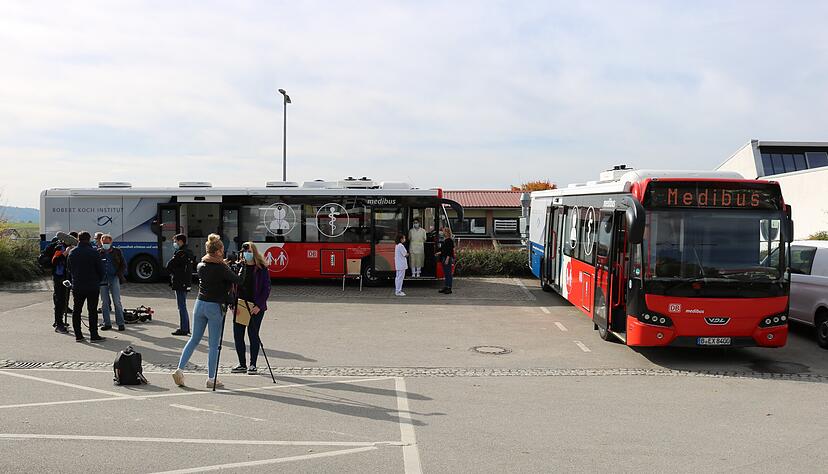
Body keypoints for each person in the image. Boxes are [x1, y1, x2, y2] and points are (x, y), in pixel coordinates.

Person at [173, 234, 242, 388]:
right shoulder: (222, 268)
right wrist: (240, 267)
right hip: (214, 306)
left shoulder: (201, 265)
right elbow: (238, 280)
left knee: (194, 339)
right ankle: (211, 378)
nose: (223, 251)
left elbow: (214, 270)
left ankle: (179, 369)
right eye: (222, 249)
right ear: (217, 251)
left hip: (200, 303)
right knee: (213, 344)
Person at [231, 242, 272, 375]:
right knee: (238, 335)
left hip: (255, 307)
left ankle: (253, 364)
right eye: (245, 251)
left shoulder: (261, 269)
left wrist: (259, 305)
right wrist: (232, 303)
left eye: (249, 251)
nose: (246, 254)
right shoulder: (239, 267)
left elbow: (266, 289)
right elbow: (232, 287)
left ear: (254, 252)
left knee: (253, 335)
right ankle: (242, 364)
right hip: (241, 305)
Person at [68, 231, 105, 342]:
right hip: (92, 285)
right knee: (92, 310)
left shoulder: (72, 252)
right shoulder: (94, 252)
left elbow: (69, 269)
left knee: (77, 310)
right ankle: (94, 335)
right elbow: (101, 270)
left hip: (78, 285)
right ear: (89, 239)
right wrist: (98, 280)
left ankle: (78, 335)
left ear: (78, 239)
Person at [166, 234, 195, 336]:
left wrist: (173, 272)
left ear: (181, 241)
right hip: (186, 282)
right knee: (183, 305)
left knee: (181, 306)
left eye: (176, 241)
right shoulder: (189, 252)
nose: (175, 243)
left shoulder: (181, 253)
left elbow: (169, 265)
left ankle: (184, 328)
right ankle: (185, 327)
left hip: (180, 282)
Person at [98, 234, 127, 331]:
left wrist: (118, 274)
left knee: (117, 301)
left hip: (114, 278)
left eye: (107, 242)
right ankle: (107, 323)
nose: (105, 244)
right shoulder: (98, 252)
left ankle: (121, 323)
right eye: (104, 242)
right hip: (102, 279)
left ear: (111, 242)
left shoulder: (117, 252)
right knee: (104, 302)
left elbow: (123, 265)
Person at [44, 236, 70, 333]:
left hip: (62, 277)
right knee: (60, 300)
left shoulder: (63, 247)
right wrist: (66, 253)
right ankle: (59, 324)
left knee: (61, 300)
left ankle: (59, 322)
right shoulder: (60, 248)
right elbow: (55, 260)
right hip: (59, 278)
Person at [435, 227, 455, 294]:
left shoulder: (449, 240)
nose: (443, 233)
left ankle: (449, 288)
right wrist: (438, 253)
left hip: (447, 259)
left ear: (447, 232)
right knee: (446, 274)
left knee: (448, 274)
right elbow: (444, 250)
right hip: (444, 257)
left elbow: (449, 251)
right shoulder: (445, 240)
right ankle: (446, 286)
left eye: (444, 231)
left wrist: (447, 259)